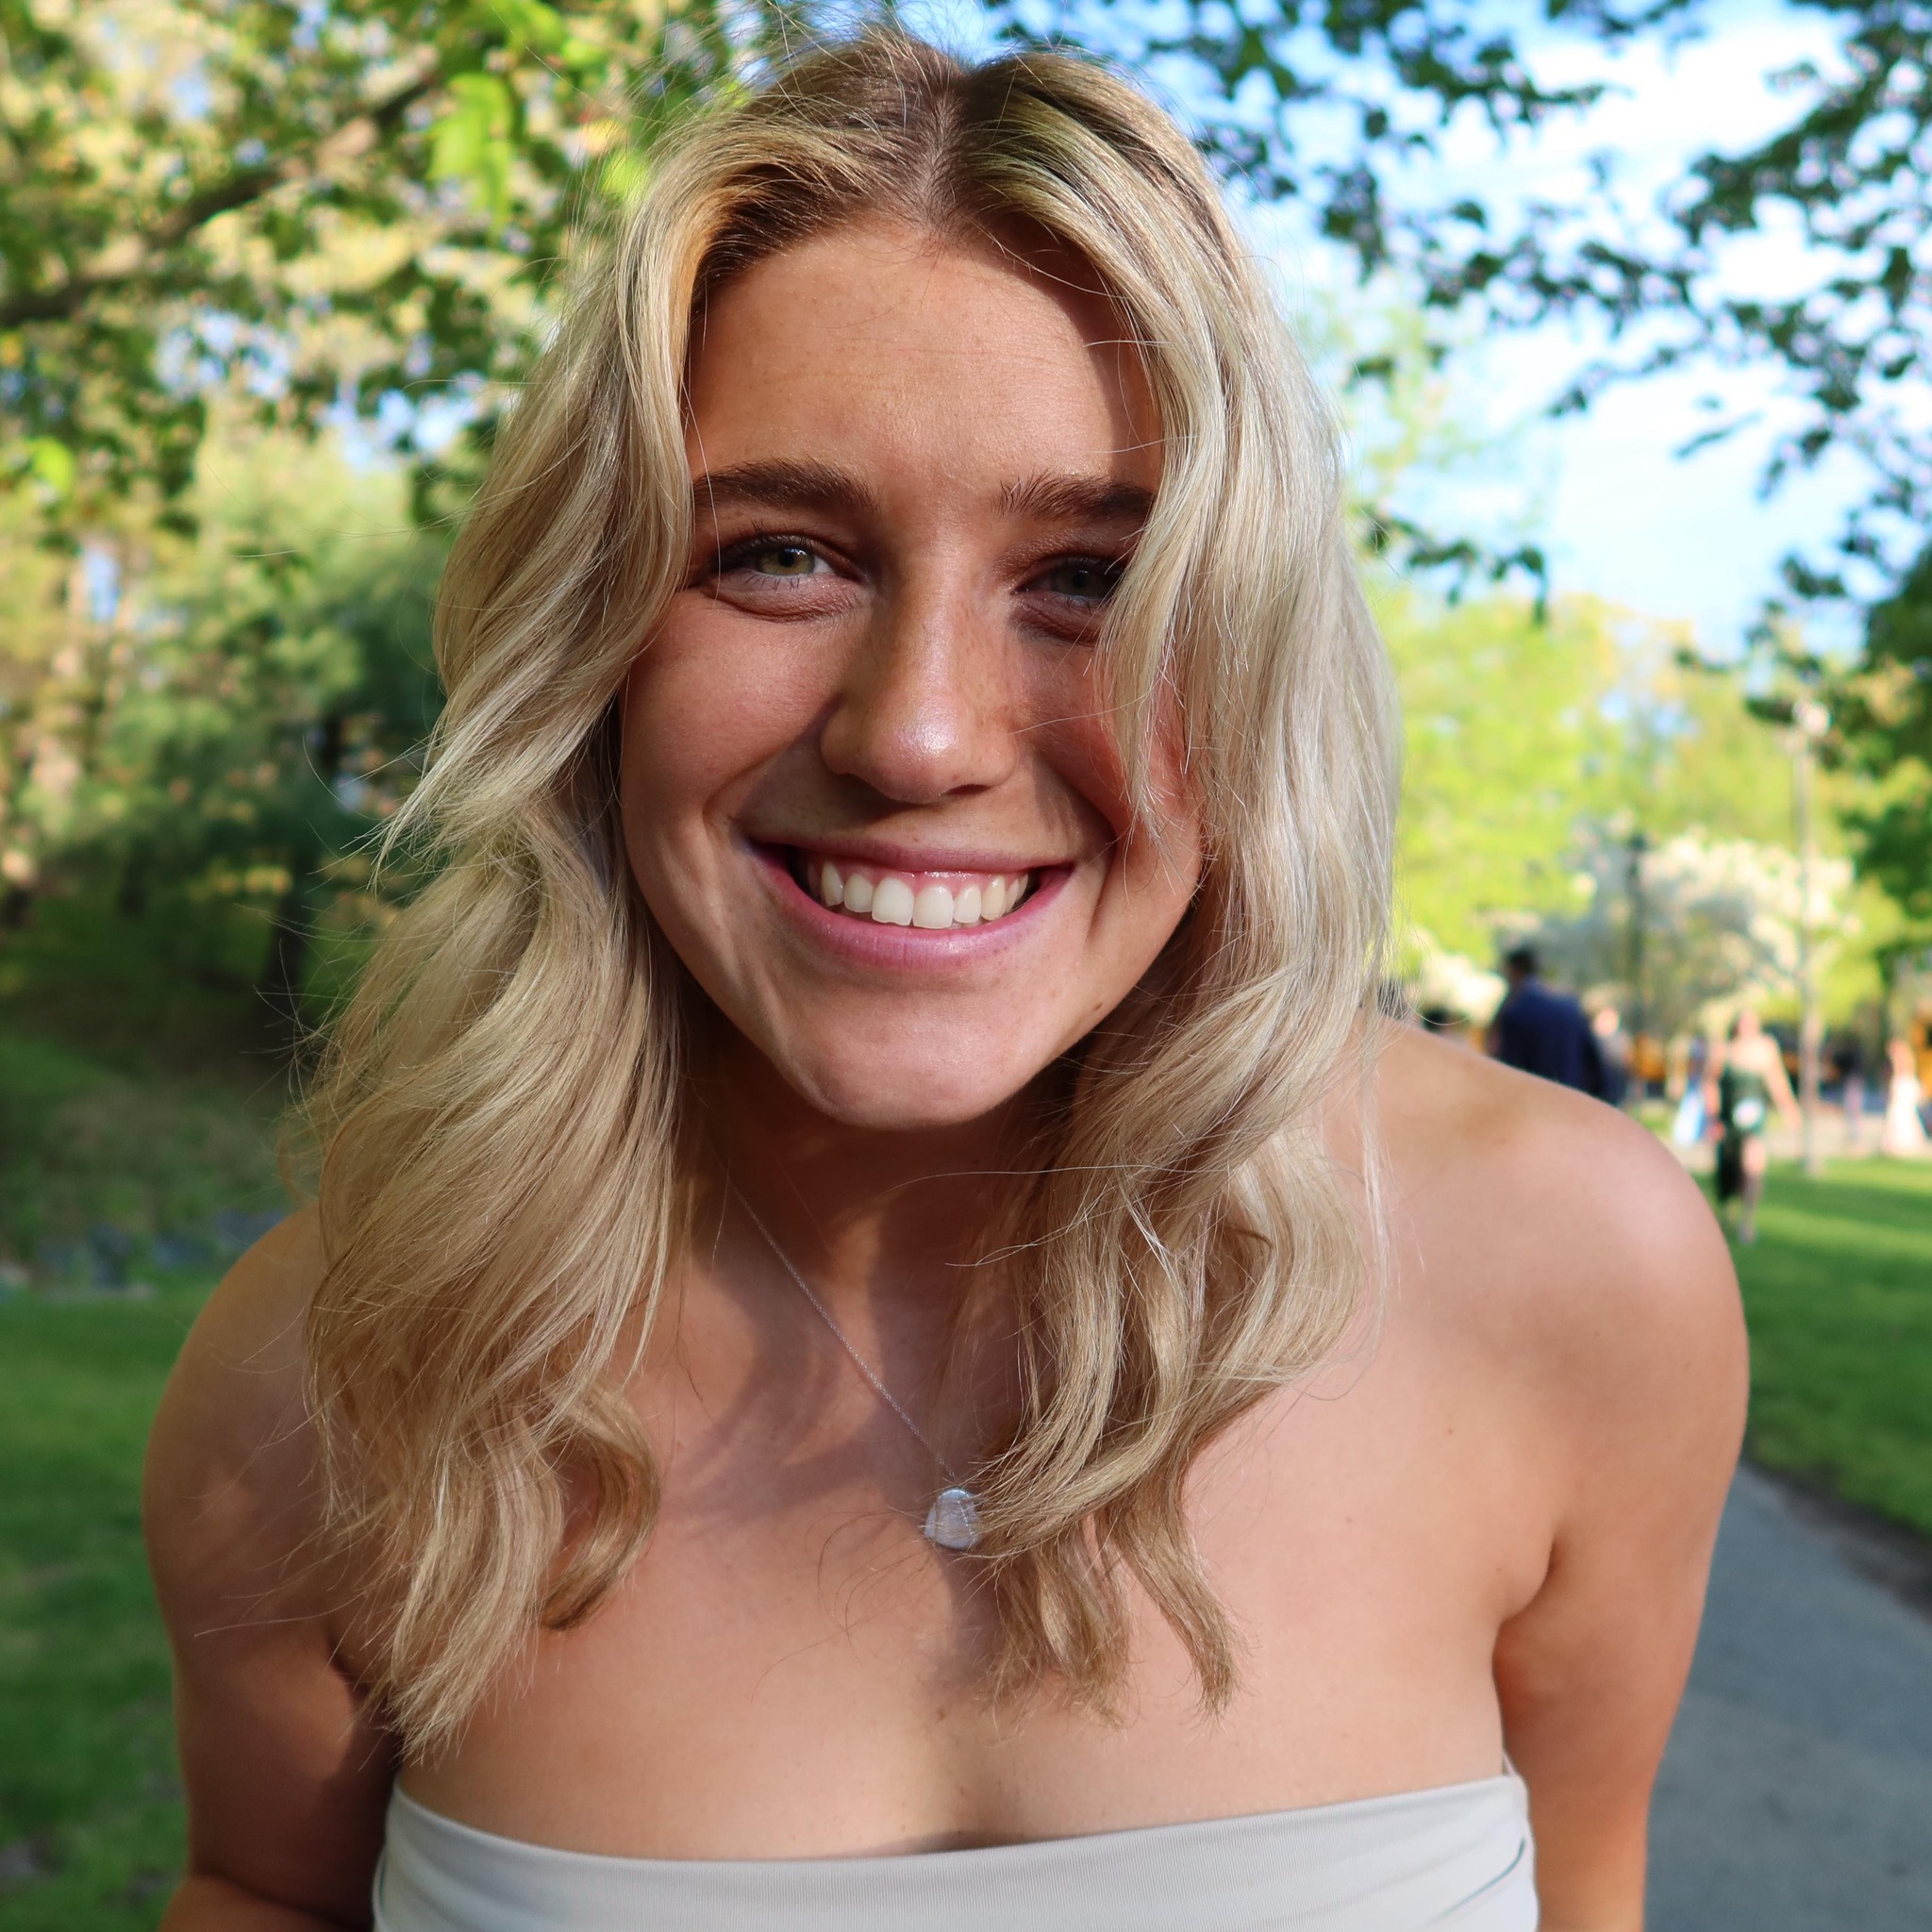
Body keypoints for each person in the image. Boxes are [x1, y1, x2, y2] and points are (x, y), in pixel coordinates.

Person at [143, 35, 1743, 1932]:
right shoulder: (341, 1365)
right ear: (593, 646)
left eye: (1088, 578)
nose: (916, 734)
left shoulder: (1574, 1276)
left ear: (1249, 652)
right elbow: (263, 1889)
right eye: (780, 555)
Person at [1708, 1008, 1799, 1243]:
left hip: (1754, 1119)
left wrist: (1788, 1109)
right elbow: (1711, 1082)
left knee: (1753, 1166)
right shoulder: (1724, 1049)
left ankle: (1747, 1222)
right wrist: (1713, 1118)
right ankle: (1725, 1213)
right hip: (1728, 1118)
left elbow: (1776, 1080)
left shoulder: (1765, 1049)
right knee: (1728, 1168)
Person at [1488, 945, 1607, 1097]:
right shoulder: (1571, 1006)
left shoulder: (1515, 1009)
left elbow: (1506, 1066)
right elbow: (1595, 1066)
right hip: (1572, 1096)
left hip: (1533, 1098)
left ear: (1514, 970)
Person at [1880, 1037, 1929, 1158]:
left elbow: (1898, 1077)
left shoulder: (1899, 1062)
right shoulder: (1909, 1058)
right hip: (1906, 1086)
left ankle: (1899, 1144)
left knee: (1900, 1114)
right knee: (1904, 1115)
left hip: (1903, 1087)